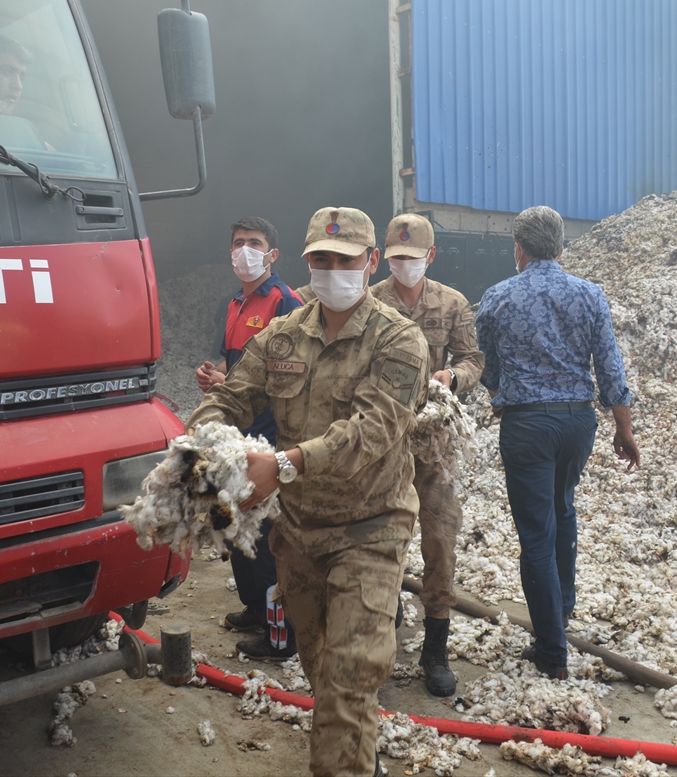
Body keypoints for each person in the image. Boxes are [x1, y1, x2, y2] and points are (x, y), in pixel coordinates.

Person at [187, 206, 430, 777]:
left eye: (344, 260)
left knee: (348, 685)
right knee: (324, 675)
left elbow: (370, 432)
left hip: (370, 531)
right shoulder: (282, 335)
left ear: (370, 263)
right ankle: (358, 760)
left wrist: (283, 464)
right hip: (298, 537)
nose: (331, 269)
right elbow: (234, 393)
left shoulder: (399, 341)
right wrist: (205, 439)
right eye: (320, 259)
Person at [475, 205, 640, 680]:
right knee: (563, 508)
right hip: (577, 424)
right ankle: (561, 610)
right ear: (562, 248)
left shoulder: (498, 297)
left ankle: (551, 651)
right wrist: (623, 428)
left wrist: (505, 392)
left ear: (518, 250)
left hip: (526, 426)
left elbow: (487, 364)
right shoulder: (590, 295)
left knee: (535, 535)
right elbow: (610, 368)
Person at [371, 212, 485, 697]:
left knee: (439, 541)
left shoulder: (452, 303)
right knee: (380, 537)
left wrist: (453, 378)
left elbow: (473, 358)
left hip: (434, 447)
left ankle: (434, 648)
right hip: (381, 443)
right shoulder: (370, 301)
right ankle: (384, 620)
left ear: (430, 257)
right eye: (396, 258)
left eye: (413, 259)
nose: (404, 266)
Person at [194, 217, 303, 660]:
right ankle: (254, 608)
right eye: (238, 243)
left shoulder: (285, 302)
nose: (244, 251)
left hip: (270, 436)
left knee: (267, 537)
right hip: (237, 432)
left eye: (254, 244)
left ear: (272, 254)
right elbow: (239, 369)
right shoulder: (235, 303)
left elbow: (294, 376)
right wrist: (216, 379)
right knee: (235, 521)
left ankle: (281, 631)